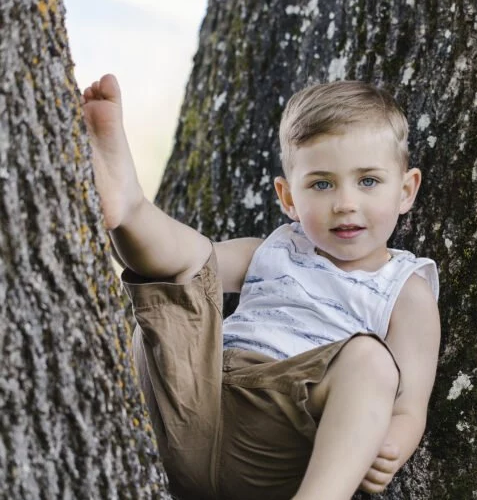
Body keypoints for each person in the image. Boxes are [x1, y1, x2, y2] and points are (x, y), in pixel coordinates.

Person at [80, 74, 441, 500]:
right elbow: (180, 264)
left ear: (406, 190)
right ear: (288, 198)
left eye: (368, 181)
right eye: (322, 184)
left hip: (275, 439)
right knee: (185, 281)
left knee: (371, 362)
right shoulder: (271, 251)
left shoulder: (405, 290)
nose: (345, 202)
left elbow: (409, 404)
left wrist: (395, 443)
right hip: (192, 407)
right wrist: (130, 220)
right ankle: (128, 207)